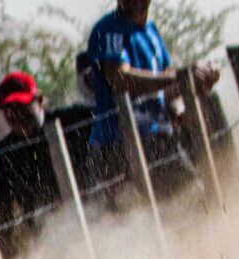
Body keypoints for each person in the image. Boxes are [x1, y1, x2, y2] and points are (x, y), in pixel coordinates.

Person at [82, 0, 219, 195]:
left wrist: (197, 82)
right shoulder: (108, 29)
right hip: (119, 144)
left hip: (158, 139)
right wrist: (181, 76)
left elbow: (165, 86)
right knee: (183, 202)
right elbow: (119, 79)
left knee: (193, 201)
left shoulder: (151, 31)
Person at [0, 71, 61, 246]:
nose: (15, 115)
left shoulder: (68, 122)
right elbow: (3, 214)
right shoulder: (4, 153)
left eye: (21, 106)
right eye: (8, 109)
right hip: (41, 240)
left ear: (39, 101)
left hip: (91, 219)